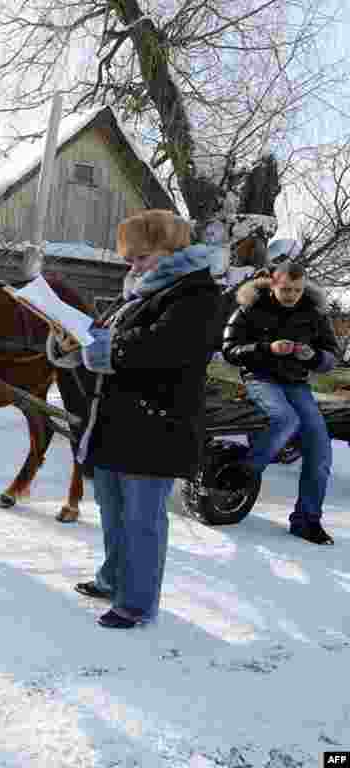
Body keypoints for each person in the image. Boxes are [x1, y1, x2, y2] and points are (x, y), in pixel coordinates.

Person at [48, 209, 221, 629]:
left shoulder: (196, 293)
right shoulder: (141, 293)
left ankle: (137, 603)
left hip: (156, 425)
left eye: (141, 257)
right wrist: (71, 343)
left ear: (172, 250)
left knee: (142, 519)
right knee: (113, 511)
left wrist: (99, 347)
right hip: (116, 423)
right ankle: (113, 580)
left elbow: (161, 349)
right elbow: (103, 339)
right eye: (130, 258)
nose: (133, 266)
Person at [221, 260, 339, 545]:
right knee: (286, 419)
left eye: (297, 290)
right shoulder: (250, 308)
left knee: (321, 451)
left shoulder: (314, 314)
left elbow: (330, 357)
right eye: (286, 289)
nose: (292, 295)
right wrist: (265, 348)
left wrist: (312, 356)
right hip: (260, 379)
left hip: (297, 383)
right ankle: (244, 473)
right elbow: (229, 350)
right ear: (273, 284)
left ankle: (306, 521)